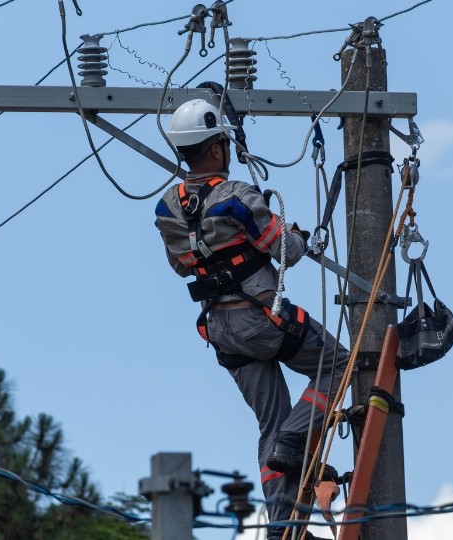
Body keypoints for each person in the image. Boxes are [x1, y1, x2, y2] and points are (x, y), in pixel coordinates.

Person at [153, 99, 349, 533]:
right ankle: (294, 438)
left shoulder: (166, 209)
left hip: (220, 329)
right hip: (259, 319)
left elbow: (181, 266)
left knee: (270, 424)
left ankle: (282, 527)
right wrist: (296, 234)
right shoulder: (237, 196)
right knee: (338, 364)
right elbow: (286, 250)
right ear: (217, 147)